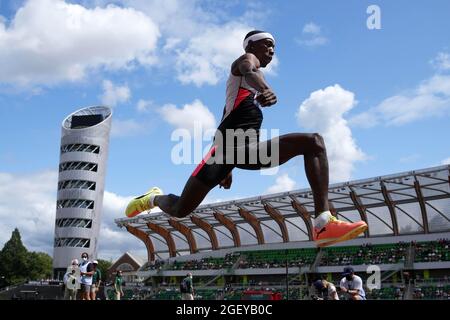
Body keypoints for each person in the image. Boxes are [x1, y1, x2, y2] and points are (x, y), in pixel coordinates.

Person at [125, 30, 368, 247]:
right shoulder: (245, 62)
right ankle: (152, 198)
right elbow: (248, 70)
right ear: (251, 46)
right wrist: (264, 89)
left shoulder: (242, 89)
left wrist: (228, 167)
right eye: (267, 44)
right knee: (180, 210)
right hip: (224, 153)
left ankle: (323, 222)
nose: (271, 50)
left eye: (274, 47)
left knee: (313, 142)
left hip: (242, 151)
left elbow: (224, 119)